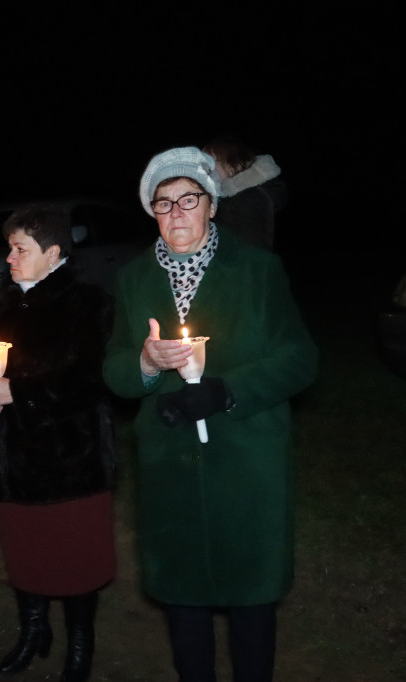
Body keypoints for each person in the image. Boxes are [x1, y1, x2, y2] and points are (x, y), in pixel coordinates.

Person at [102, 146, 317, 682]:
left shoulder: (257, 271)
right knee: (183, 596)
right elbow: (115, 372)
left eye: (188, 200)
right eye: (163, 203)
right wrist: (147, 364)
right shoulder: (132, 279)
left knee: (250, 595)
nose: (176, 214)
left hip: (246, 461)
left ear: (212, 205)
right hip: (170, 464)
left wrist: (227, 391)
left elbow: (300, 358)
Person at [0, 203, 116, 682]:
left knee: (75, 560)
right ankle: (32, 630)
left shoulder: (86, 303)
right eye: (9, 247)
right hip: (8, 460)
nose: (9, 257)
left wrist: (18, 393)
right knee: (24, 553)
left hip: (68, 459)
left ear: (54, 252)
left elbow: (88, 380)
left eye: (19, 248)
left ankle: (79, 647)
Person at [202, 135, 288, 252]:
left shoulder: (247, 201)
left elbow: (250, 257)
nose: (204, 171)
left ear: (231, 165)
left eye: (210, 163)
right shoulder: (229, 198)